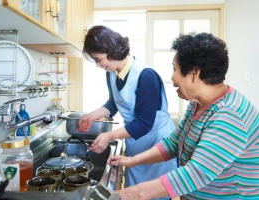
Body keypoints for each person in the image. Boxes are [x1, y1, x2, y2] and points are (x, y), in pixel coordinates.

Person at [107, 32, 259, 200]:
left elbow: (195, 173)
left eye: (175, 69)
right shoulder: (197, 104)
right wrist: (133, 160)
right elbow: (174, 143)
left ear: (194, 73)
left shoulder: (229, 115)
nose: (172, 78)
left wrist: (122, 195)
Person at [78, 25, 178, 200]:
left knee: (156, 194)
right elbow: (114, 103)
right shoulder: (111, 72)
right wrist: (91, 116)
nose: (98, 65)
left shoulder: (145, 75)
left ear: (111, 51)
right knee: (135, 193)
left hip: (156, 141)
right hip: (136, 140)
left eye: (99, 59)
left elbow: (144, 123)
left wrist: (109, 136)